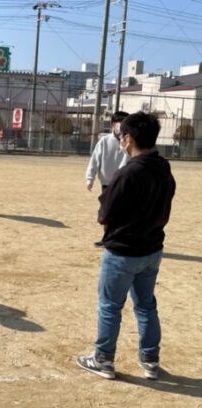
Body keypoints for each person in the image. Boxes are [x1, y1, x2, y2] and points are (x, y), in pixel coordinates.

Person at [77, 111, 176, 381]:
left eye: (122, 136)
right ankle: (150, 360)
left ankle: (103, 359)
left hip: (123, 251)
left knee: (110, 306)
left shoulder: (128, 173)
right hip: (152, 249)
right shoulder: (164, 168)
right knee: (146, 305)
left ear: (129, 138)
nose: (120, 141)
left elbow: (105, 214)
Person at [85, 111, 129, 246]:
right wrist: (90, 178)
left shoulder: (130, 143)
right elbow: (94, 160)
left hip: (124, 183)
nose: (122, 127)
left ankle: (120, 238)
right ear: (113, 125)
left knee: (123, 211)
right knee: (107, 212)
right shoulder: (104, 141)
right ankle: (107, 238)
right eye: (119, 124)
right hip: (107, 183)